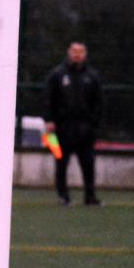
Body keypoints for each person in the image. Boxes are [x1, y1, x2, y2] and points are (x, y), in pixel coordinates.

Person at [43, 41, 103, 206]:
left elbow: (98, 103)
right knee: (61, 162)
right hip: (62, 128)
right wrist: (49, 120)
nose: (77, 54)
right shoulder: (57, 74)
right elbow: (48, 99)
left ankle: (90, 197)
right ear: (69, 52)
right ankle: (63, 196)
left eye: (81, 51)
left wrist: (93, 123)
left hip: (86, 129)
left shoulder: (92, 76)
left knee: (88, 164)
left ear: (86, 53)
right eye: (74, 51)